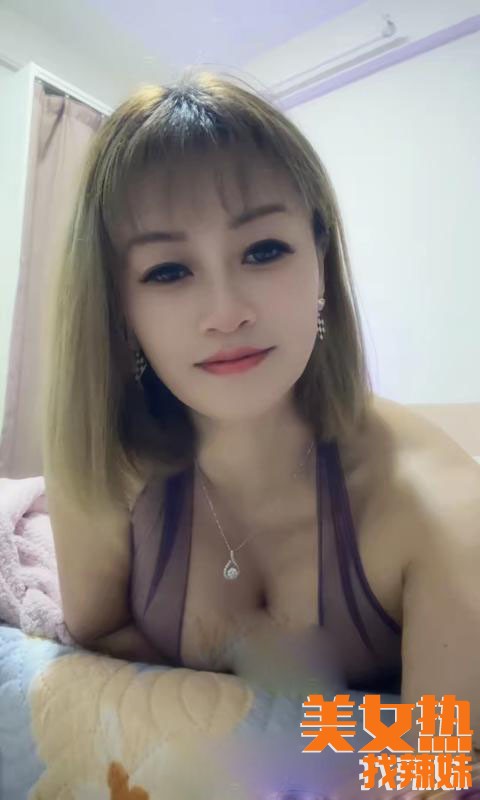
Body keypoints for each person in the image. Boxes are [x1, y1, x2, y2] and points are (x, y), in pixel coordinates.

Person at [42, 69, 480, 759]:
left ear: (321, 264)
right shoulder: (105, 468)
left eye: (264, 250)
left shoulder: (435, 510)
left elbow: (435, 765)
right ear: (119, 308)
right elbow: (97, 640)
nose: (226, 313)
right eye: (167, 271)